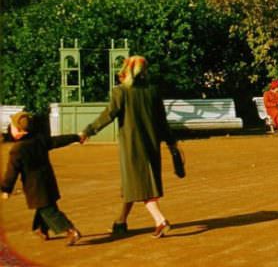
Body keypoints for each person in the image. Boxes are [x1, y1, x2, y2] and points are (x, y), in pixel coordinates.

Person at [80, 56, 179, 238]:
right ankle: (121, 221)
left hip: (132, 147)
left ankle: (160, 220)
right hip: (151, 144)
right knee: (133, 184)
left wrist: (88, 131)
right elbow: (162, 122)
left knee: (141, 184)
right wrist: (171, 142)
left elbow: (108, 115)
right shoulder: (153, 91)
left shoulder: (121, 92)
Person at [1, 111, 82, 245]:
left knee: (49, 211)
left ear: (20, 131)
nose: (10, 128)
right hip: (48, 181)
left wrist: (6, 189)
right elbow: (58, 140)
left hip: (35, 187)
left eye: (12, 126)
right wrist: (76, 137)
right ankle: (41, 229)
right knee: (45, 206)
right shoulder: (40, 139)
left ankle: (70, 230)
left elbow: (12, 172)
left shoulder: (17, 150)